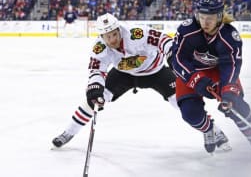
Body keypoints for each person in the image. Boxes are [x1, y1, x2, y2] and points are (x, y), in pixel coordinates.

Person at [52, 13, 178, 147]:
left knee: (181, 100)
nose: (112, 40)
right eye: (108, 37)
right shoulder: (99, 47)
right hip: (123, 74)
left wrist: (172, 54)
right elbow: (96, 70)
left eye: (114, 34)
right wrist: (95, 88)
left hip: (155, 72)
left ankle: (204, 128)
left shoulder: (136, 33)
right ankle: (69, 132)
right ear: (101, 37)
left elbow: (163, 40)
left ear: (119, 29)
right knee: (93, 101)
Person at [170, 0, 251, 157]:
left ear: (219, 16)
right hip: (192, 71)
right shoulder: (187, 30)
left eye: (210, 17)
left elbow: (231, 65)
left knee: (237, 106)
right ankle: (209, 129)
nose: (205, 22)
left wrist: (228, 92)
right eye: (202, 17)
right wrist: (196, 80)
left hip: (218, 72)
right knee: (190, 113)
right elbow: (178, 59)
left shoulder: (229, 36)